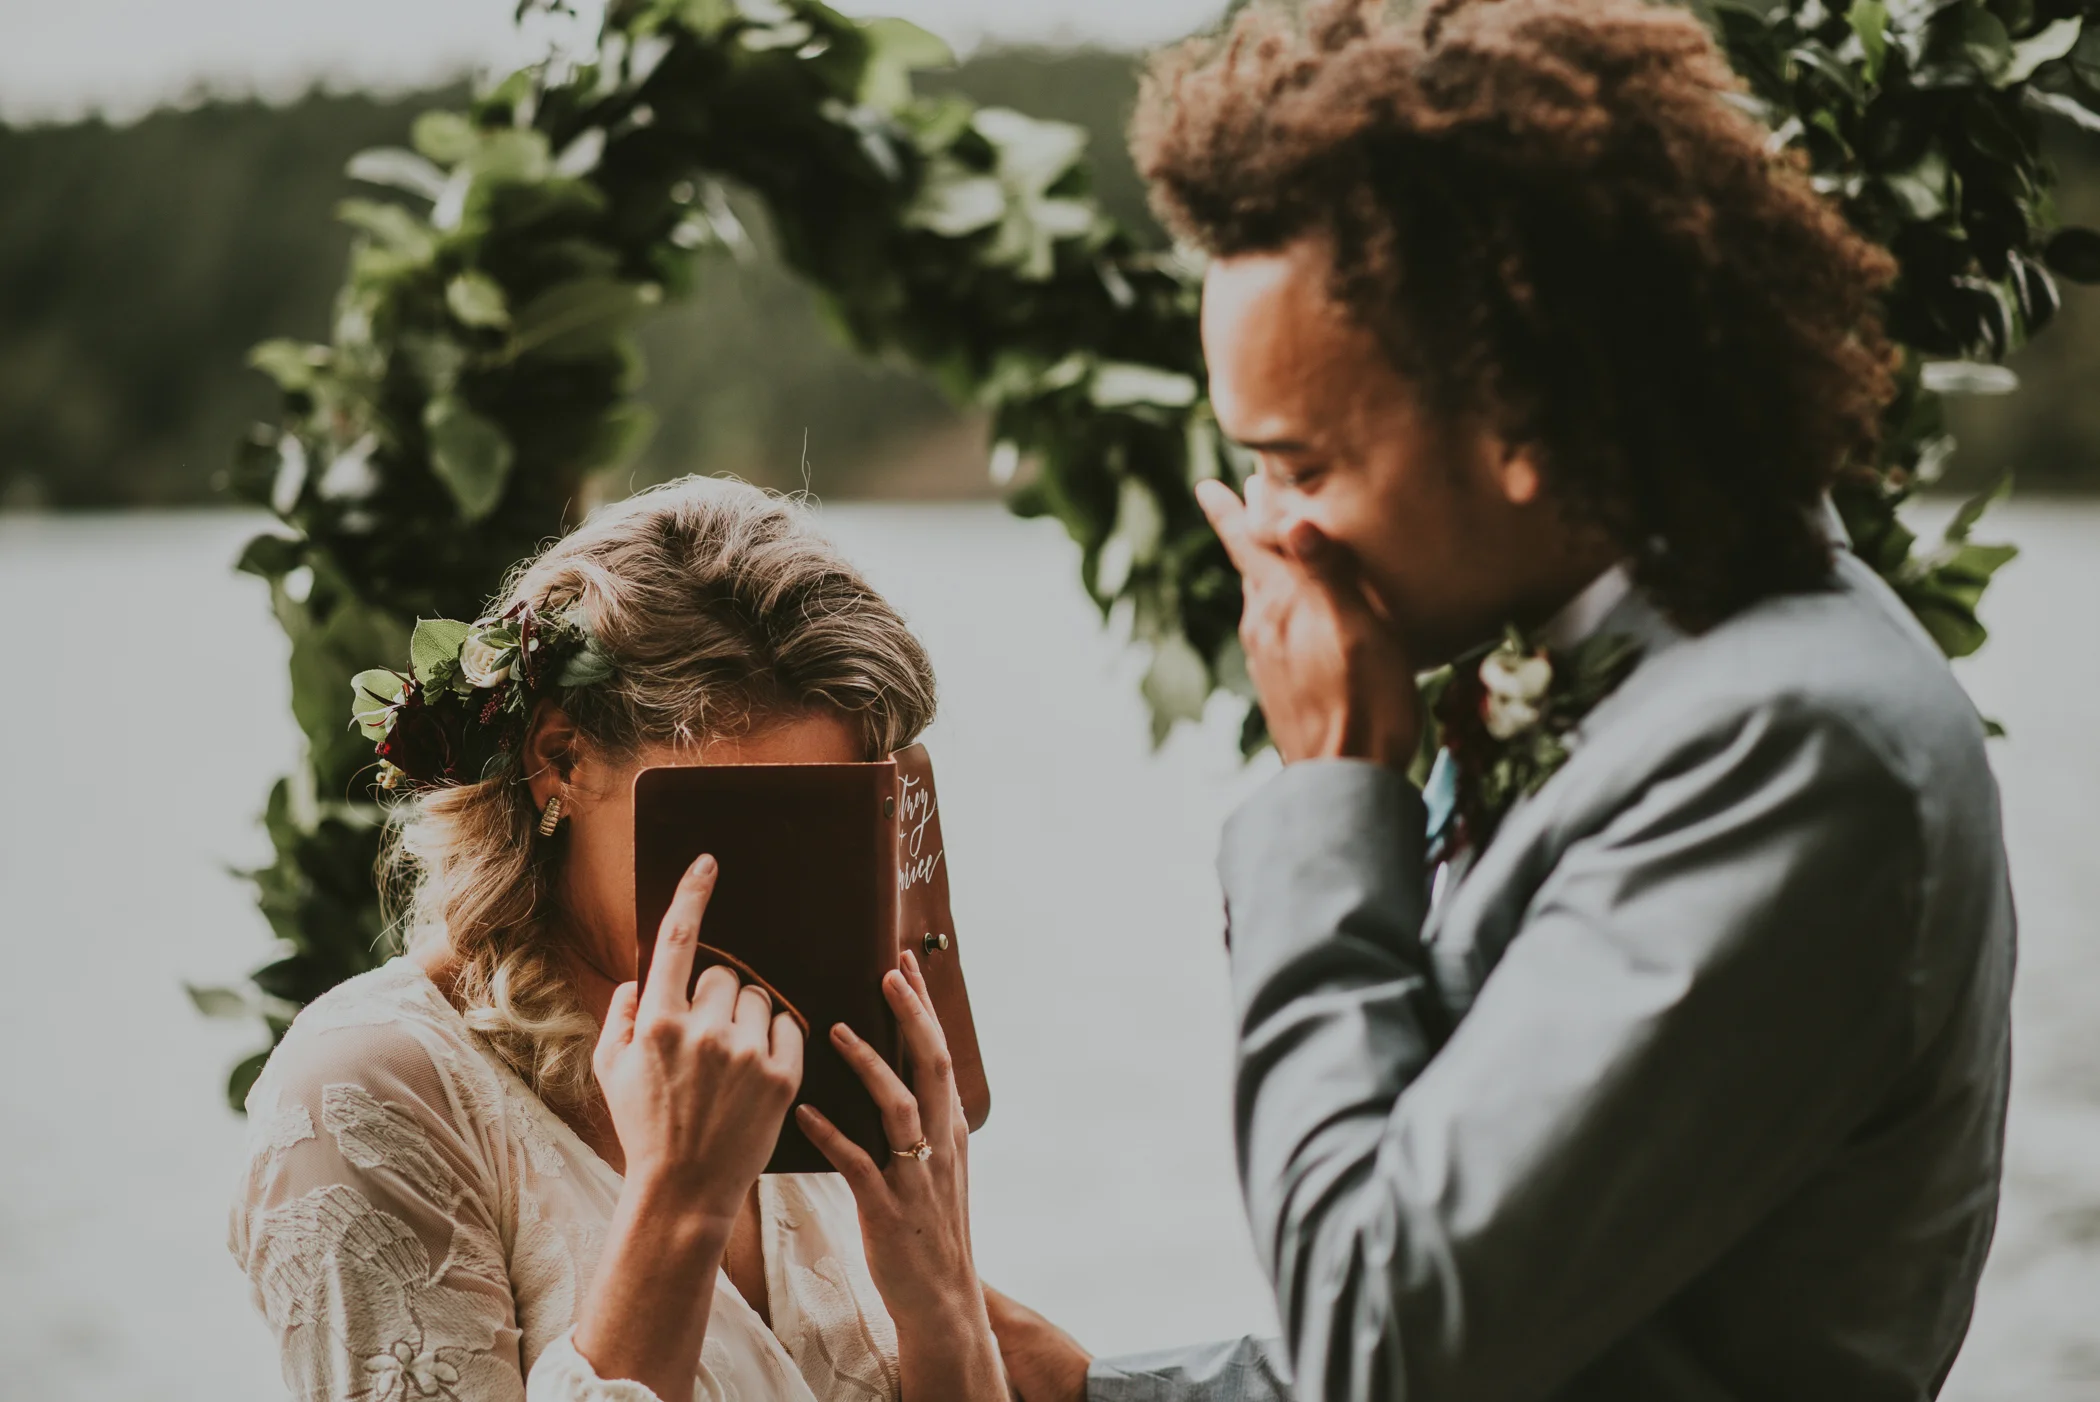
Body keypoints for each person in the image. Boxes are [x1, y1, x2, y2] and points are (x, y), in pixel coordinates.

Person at [984, 1, 2016, 1399]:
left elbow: (1389, 1339)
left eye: (1300, 465)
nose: (1275, 534)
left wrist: (1332, 793)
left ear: (1521, 408)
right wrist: (1087, 1389)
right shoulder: (1651, 670)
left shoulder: (1788, 747)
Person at [229, 477, 1004, 1402]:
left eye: (832, 827)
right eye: (748, 825)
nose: (791, 883)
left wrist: (943, 1303)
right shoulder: (366, 1092)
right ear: (560, 760)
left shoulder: (815, 1036)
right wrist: (678, 1202)